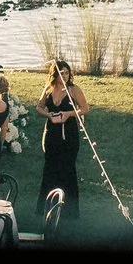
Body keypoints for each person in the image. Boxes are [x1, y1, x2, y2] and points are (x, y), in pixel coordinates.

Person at [39, 58, 86, 213]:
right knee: (50, 168)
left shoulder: (74, 89)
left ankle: (69, 210)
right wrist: (48, 114)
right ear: (55, 74)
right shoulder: (49, 88)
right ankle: (47, 207)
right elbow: (39, 107)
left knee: (67, 169)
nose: (64, 76)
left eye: (67, 73)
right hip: (52, 133)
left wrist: (68, 114)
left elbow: (85, 108)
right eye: (61, 73)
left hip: (69, 134)